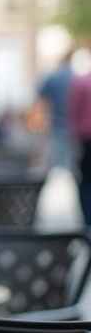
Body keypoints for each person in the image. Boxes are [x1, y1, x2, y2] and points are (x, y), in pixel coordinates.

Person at [36, 51, 76, 171]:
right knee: (71, 165)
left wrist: (43, 119)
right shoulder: (75, 77)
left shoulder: (52, 77)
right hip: (72, 128)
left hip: (55, 124)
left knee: (53, 165)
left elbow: (42, 100)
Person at [67, 61, 91, 225]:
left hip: (86, 139)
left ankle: (88, 222)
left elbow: (73, 113)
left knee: (86, 181)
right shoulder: (81, 82)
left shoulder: (81, 82)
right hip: (85, 137)